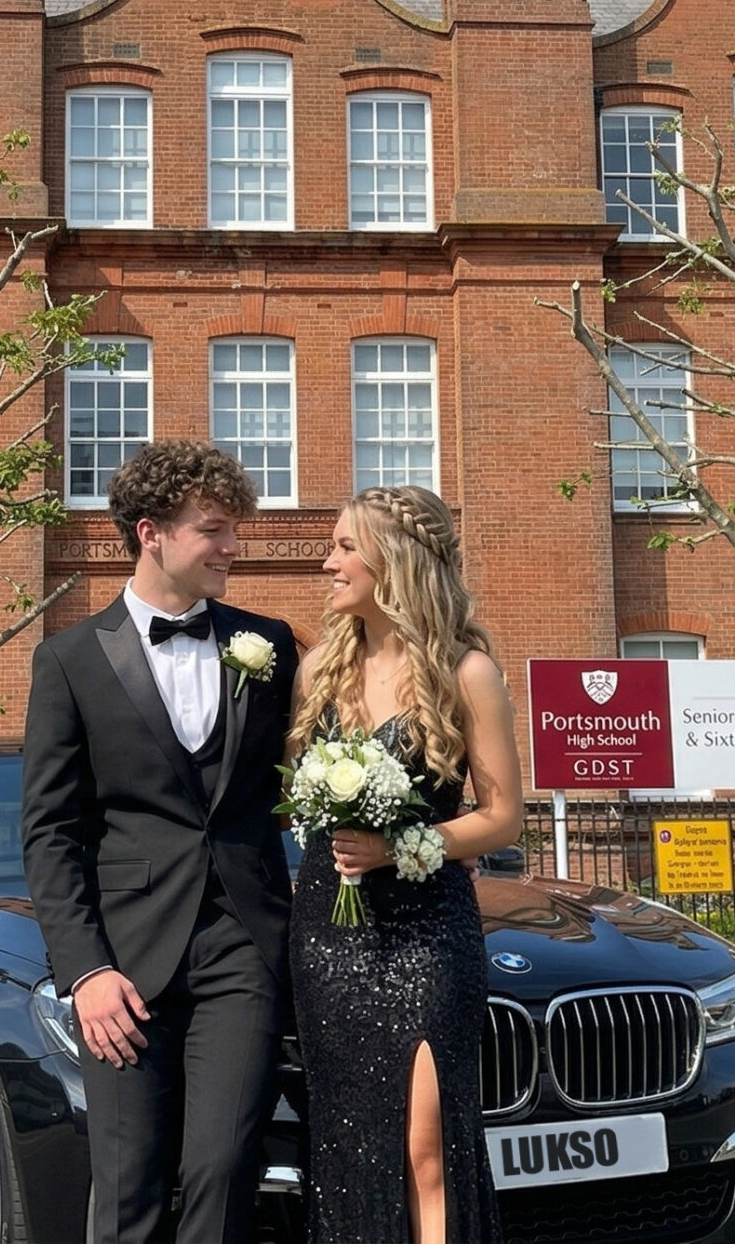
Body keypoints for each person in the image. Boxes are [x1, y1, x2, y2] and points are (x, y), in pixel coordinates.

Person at [21, 441, 300, 1244]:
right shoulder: (68, 660)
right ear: (152, 533)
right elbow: (50, 832)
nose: (233, 548)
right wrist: (85, 971)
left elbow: (306, 777)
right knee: (130, 1184)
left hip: (242, 947)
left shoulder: (271, 645)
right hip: (124, 965)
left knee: (223, 1170)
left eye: (233, 530)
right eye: (214, 530)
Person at [290, 482, 522, 1244]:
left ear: (396, 559)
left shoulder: (467, 672)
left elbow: (500, 817)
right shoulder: (318, 669)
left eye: (346, 545)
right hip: (331, 931)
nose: (330, 561)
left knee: (426, 1141)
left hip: (429, 931)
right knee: (349, 1142)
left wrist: (405, 846)